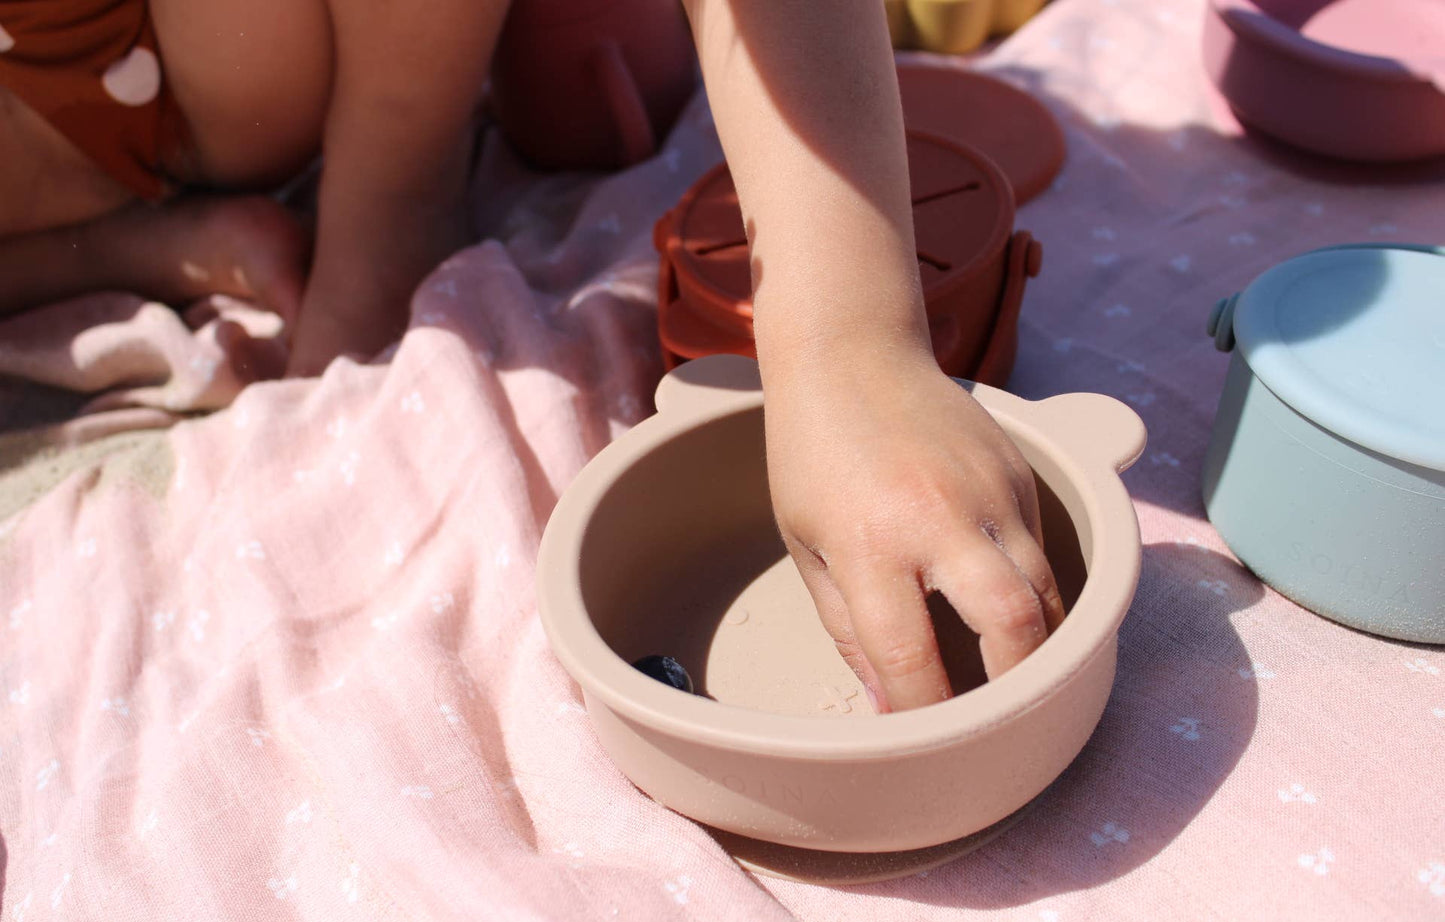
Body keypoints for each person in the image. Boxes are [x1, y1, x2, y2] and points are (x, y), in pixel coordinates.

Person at [0, 0, 1063, 712]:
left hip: (219, 59)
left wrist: (847, 340)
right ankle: (125, 245)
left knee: (595, 71)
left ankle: (393, 176)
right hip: (52, 116)